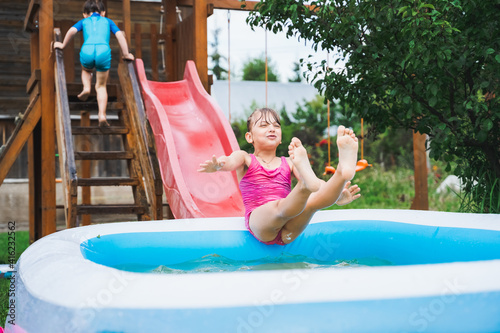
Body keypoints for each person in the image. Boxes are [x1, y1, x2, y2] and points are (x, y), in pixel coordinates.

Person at [198, 108, 361, 245]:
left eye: (276, 126)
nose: (272, 129)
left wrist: (338, 194)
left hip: (287, 232)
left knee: (311, 201)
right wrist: (219, 164)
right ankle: (305, 186)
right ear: (249, 137)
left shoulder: (290, 162)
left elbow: (318, 185)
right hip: (261, 222)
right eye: (263, 125)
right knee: (283, 206)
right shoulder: (245, 158)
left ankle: (341, 173)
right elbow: (230, 160)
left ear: (281, 137)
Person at [53, 0, 134, 127]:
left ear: (85, 14)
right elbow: (119, 36)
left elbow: (72, 31)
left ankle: (86, 87)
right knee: (101, 86)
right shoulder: (108, 21)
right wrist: (126, 54)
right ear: (103, 13)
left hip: (87, 50)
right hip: (103, 51)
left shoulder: (83, 21)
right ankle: (102, 115)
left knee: (86, 70)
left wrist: (63, 45)